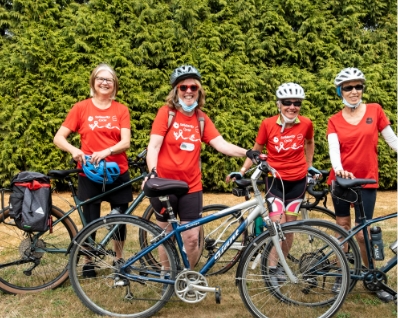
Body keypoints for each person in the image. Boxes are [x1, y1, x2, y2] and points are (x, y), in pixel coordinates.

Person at [145, 64, 256, 268]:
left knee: (192, 239)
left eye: (193, 88)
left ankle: (187, 278)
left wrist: (247, 152)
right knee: (166, 235)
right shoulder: (166, 113)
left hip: (191, 186)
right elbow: (153, 146)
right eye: (183, 87)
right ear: (176, 90)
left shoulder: (201, 119)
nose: (188, 91)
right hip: (164, 185)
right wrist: (152, 173)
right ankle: (166, 275)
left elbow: (221, 144)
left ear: (199, 91)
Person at [227, 82, 320, 283]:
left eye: (297, 103)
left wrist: (309, 165)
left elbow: (310, 142)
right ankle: (271, 268)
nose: (292, 107)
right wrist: (242, 170)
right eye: (287, 102)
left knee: (291, 228)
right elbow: (257, 149)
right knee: (278, 226)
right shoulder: (267, 124)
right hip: (275, 182)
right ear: (279, 104)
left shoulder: (306, 123)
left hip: (297, 183)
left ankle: (279, 266)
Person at [54, 63, 132, 276]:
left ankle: (118, 259)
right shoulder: (81, 108)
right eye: (100, 78)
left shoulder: (121, 109)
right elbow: (59, 137)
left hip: (117, 171)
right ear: (93, 82)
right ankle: (89, 261)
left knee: (120, 217)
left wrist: (107, 151)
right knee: (90, 218)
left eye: (109, 79)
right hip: (88, 172)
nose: (104, 83)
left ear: (114, 84)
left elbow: (125, 142)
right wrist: (73, 150)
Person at [327, 67, 397, 301]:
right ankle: (341, 275)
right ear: (341, 91)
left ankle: (371, 275)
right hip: (342, 181)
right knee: (342, 227)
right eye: (349, 87)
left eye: (358, 86)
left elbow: (392, 140)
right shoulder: (334, 120)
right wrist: (338, 169)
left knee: (363, 232)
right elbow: (334, 150)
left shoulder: (375, 110)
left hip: (366, 180)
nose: (354, 91)